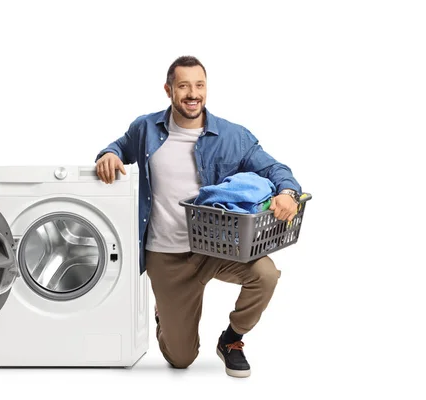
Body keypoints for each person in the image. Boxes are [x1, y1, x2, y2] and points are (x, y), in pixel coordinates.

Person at [94, 56, 302, 378]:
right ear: (169, 90)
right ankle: (165, 313)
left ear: (206, 89)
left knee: (266, 275)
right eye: (184, 86)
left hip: (217, 248)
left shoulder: (233, 136)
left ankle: (232, 340)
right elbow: (120, 147)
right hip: (166, 255)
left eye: (199, 85)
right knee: (181, 360)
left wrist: (287, 192)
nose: (193, 94)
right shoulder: (146, 129)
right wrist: (108, 154)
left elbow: (275, 169)